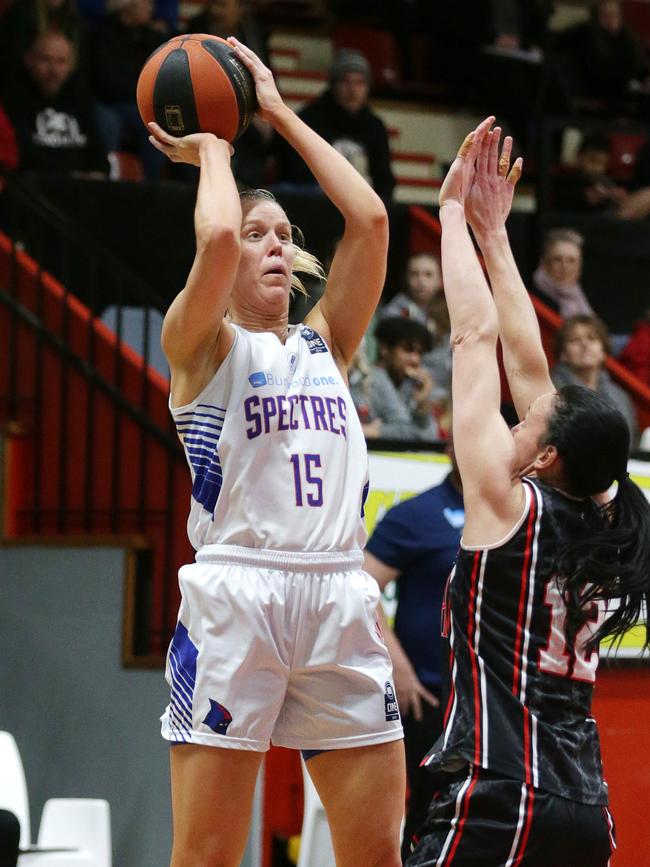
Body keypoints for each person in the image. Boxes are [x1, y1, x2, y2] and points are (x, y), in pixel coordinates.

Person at [147, 36, 405, 867]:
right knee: (210, 856)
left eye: (281, 234)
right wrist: (216, 149)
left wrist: (281, 112)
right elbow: (216, 238)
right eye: (259, 231)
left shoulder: (327, 342)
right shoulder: (200, 344)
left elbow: (369, 219)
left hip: (337, 591)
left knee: (376, 852)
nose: (266, 242)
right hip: (238, 596)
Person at [407, 118, 650, 865]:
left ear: (544, 455)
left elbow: (477, 339)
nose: (519, 405)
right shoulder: (605, 518)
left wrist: (450, 214)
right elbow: (527, 356)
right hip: (586, 804)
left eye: (530, 416)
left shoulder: (503, 502)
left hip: (502, 796)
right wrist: (496, 235)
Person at [364, 443, 463, 863]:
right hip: (428, 699)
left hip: (493, 701)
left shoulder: (515, 513)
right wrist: (398, 667)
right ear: (450, 446)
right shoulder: (416, 515)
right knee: (428, 815)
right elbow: (361, 592)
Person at [275, 48, 395, 202]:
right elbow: (295, 173)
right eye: (346, 81)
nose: (353, 90)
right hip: (314, 201)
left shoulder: (375, 127)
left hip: (362, 204)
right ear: (333, 84)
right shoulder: (308, 120)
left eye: (359, 83)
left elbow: (384, 181)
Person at [1, 30, 109, 177]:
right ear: (29, 60)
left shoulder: (79, 96)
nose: (54, 70)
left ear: (71, 66)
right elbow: (20, 157)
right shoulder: (13, 98)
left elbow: (98, 154)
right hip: (33, 189)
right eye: (46, 60)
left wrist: (96, 174)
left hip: (79, 190)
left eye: (61, 61)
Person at [89, 0, 167, 180]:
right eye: (145, 3)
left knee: (158, 120)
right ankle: (109, 181)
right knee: (115, 122)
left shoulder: (150, 36)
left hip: (139, 101)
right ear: (128, 6)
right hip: (109, 100)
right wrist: (142, 90)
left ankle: (156, 186)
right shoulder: (103, 34)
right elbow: (105, 82)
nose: (151, 8)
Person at [552, 313, 638, 447]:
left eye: (592, 339)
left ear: (603, 351)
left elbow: (629, 442)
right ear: (563, 354)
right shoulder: (550, 390)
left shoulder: (621, 396)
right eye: (574, 340)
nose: (584, 344)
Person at [370, 317, 440, 441]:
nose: (416, 360)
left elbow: (430, 436)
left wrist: (422, 404)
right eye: (408, 350)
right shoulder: (372, 379)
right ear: (384, 349)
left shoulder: (410, 384)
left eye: (420, 353)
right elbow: (407, 434)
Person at [551, 133, 650, 219]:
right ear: (579, 156)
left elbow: (617, 201)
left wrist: (617, 196)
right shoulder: (568, 178)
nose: (596, 167)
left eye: (601, 163)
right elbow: (562, 198)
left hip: (607, 220)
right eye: (592, 160)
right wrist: (585, 196)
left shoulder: (604, 181)